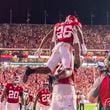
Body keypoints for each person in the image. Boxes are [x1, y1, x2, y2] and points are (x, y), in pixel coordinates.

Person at [23, 15, 87, 83]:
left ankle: (30, 71)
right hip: (66, 47)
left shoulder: (58, 25)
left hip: (57, 47)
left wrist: (40, 48)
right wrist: (83, 44)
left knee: (48, 69)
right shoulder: (74, 25)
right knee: (69, 70)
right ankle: (54, 78)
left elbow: (47, 36)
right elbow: (79, 31)